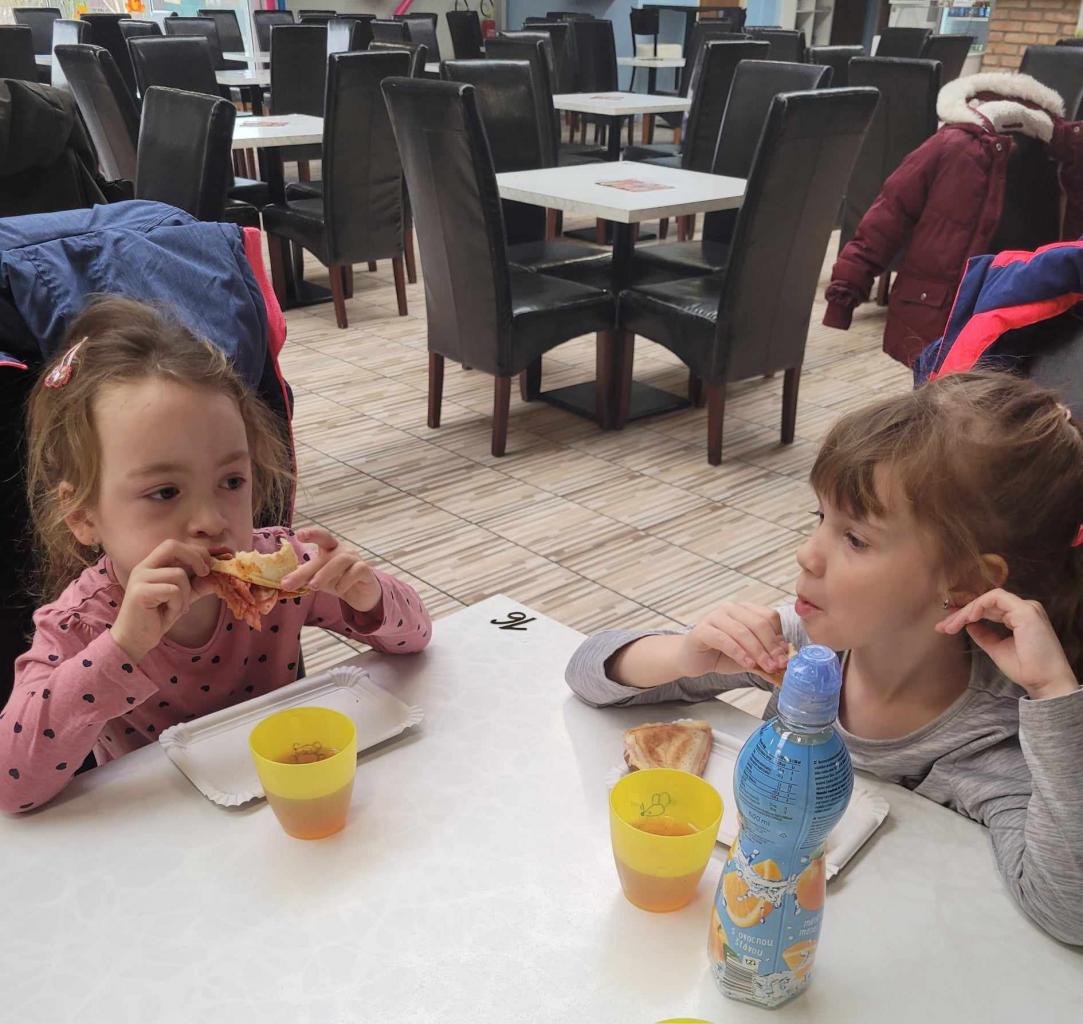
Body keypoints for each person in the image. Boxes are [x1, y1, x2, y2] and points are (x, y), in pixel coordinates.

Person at [566, 371, 1083, 945]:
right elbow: (587, 673)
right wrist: (687, 655)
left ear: (967, 582)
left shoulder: (993, 739)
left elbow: (1067, 911)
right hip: (742, 929)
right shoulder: (803, 652)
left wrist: (1055, 696)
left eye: (855, 538)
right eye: (820, 520)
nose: (806, 554)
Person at [1, 298, 431, 814]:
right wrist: (122, 647)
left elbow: (417, 639)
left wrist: (369, 596)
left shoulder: (281, 569)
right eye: (165, 492)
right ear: (82, 516)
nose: (209, 519)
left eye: (231, 481)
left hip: (282, 803)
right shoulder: (83, 623)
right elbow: (12, 786)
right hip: (167, 829)